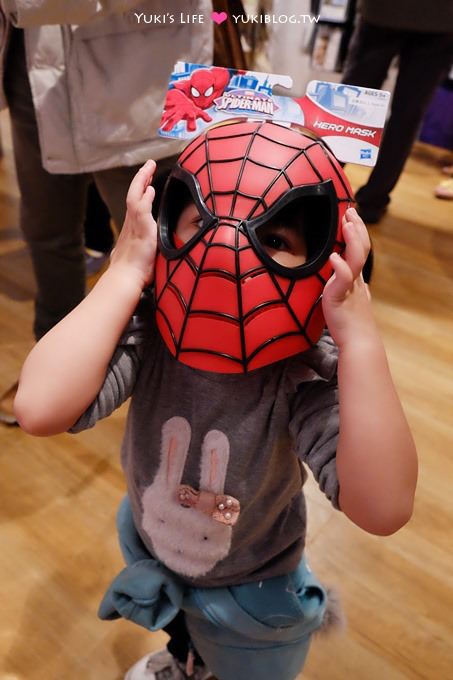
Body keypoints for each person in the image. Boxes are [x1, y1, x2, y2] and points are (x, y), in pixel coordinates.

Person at [14, 121, 418, 680]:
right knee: (182, 627)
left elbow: (385, 507)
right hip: (156, 547)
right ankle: (187, 659)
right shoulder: (150, 334)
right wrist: (125, 269)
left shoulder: (297, 374)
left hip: (252, 582)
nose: (227, 246)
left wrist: (360, 341)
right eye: (202, 223)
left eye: (274, 240)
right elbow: (37, 408)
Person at [0, 0, 212, 424]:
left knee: (167, 248)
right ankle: (54, 362)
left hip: (139, 73)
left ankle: (190, 380)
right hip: (34, 69)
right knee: (46, 229)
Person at [342, 0, 453, 223]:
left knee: (351, 101)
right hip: (441, 16)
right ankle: (373, 201)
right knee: (408, 114)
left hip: (386, 10)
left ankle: (319, 179)